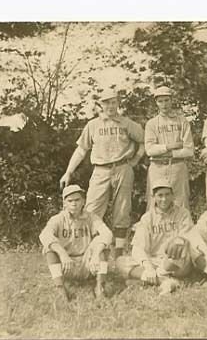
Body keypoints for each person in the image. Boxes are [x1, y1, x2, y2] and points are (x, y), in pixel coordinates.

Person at [59, 88, 145, 258]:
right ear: (100, 105)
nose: (110, 106)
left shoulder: (127, 123)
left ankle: (118, 253)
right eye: (106, 102)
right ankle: (89, 250)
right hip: (100, 169)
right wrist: (68, 172)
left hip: (122, 168)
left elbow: (144, 141)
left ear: (118, 103)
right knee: (91, 209)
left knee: (122, 209)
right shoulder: (93, 125)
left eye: (113, 102)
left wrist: (135, 160)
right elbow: (81, 150)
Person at [116, 178, 195, 295]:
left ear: (173, 195)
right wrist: (149, 267)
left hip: (176, 262)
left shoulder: (183, 213)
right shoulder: (147, 218)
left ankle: (149, 279)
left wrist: (178, 243)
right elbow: (138, 248)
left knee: (179, 245)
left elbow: (187, 238)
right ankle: (165, 281)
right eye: (160, 195)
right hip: (154, 260)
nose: (164, 199)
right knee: (120, 261)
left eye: (167, 194)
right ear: (154, 197)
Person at [39, 185, 113, 303]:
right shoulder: (58, 219)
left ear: (83, 201)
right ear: (64, 203)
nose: (74, 204)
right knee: (49, 248)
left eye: (77, 200)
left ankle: (100, 287)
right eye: (70, 201)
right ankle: (60, 289)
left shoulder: (91, 217)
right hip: (67, 264)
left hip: (87, 263)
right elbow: (44, 235)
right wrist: (63, 254)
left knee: (103, 244)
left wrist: (95, 255)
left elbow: (107, 233)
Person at [144, 86, 194, 211]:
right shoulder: (152, 123)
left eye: (167, 100)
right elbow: (150, 150)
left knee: (180, 203)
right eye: (160, 101)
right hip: (157, 167)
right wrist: (170, 146)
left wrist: (167, 153)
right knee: (155, 203)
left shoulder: (182, 121)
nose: (164, 104)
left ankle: (183, 230)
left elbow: (188, 150)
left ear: (172, 100)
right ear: (156, 102)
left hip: (177, 167)